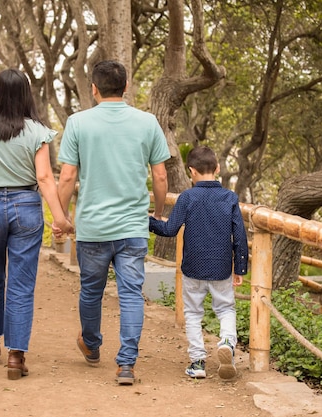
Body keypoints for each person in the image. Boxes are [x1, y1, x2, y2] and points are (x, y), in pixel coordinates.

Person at [57, 60, 170, 385]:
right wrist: (158, 212)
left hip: (92, 227)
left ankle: (91, 346)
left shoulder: (78, 122)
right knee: (131, 293)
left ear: (94, 89)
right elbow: (160, 175)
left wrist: (62, 218)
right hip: (133, 226)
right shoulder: (147, 122)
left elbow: (67, 177)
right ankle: (126, 365)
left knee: (91, 291)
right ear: (126, 87)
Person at [0, 68, 74, 380]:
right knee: (21, 284)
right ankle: (16, 356)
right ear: (26, 94)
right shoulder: (36, 131)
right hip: (26, 206)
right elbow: (44, 177)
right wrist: (60, 219)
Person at [149, 146, 248, 380]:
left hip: (193, 266)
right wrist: (240, 267)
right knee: (225, 309)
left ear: (191, 171)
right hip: (221, 266)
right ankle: (226, 342)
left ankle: (198, 362)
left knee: (193, 313)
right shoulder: (230, 198)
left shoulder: (187, 197)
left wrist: (148, 221)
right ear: (218, 168)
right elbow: (240, 235)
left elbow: (170, 229)